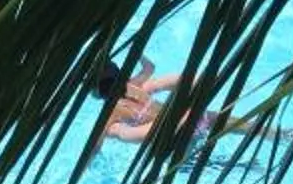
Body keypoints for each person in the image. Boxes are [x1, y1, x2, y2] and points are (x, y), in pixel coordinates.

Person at [87, 58, 266, 144]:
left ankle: (244, 164)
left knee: (119, 132)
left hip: (173, 135)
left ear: (94, 91)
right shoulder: (135, 85)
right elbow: (150, 67)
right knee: (238, 124)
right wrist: (138, 52)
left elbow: (102, 141)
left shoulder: (109, 115)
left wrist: (98, 146)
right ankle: (272, 133)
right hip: (193, 118)